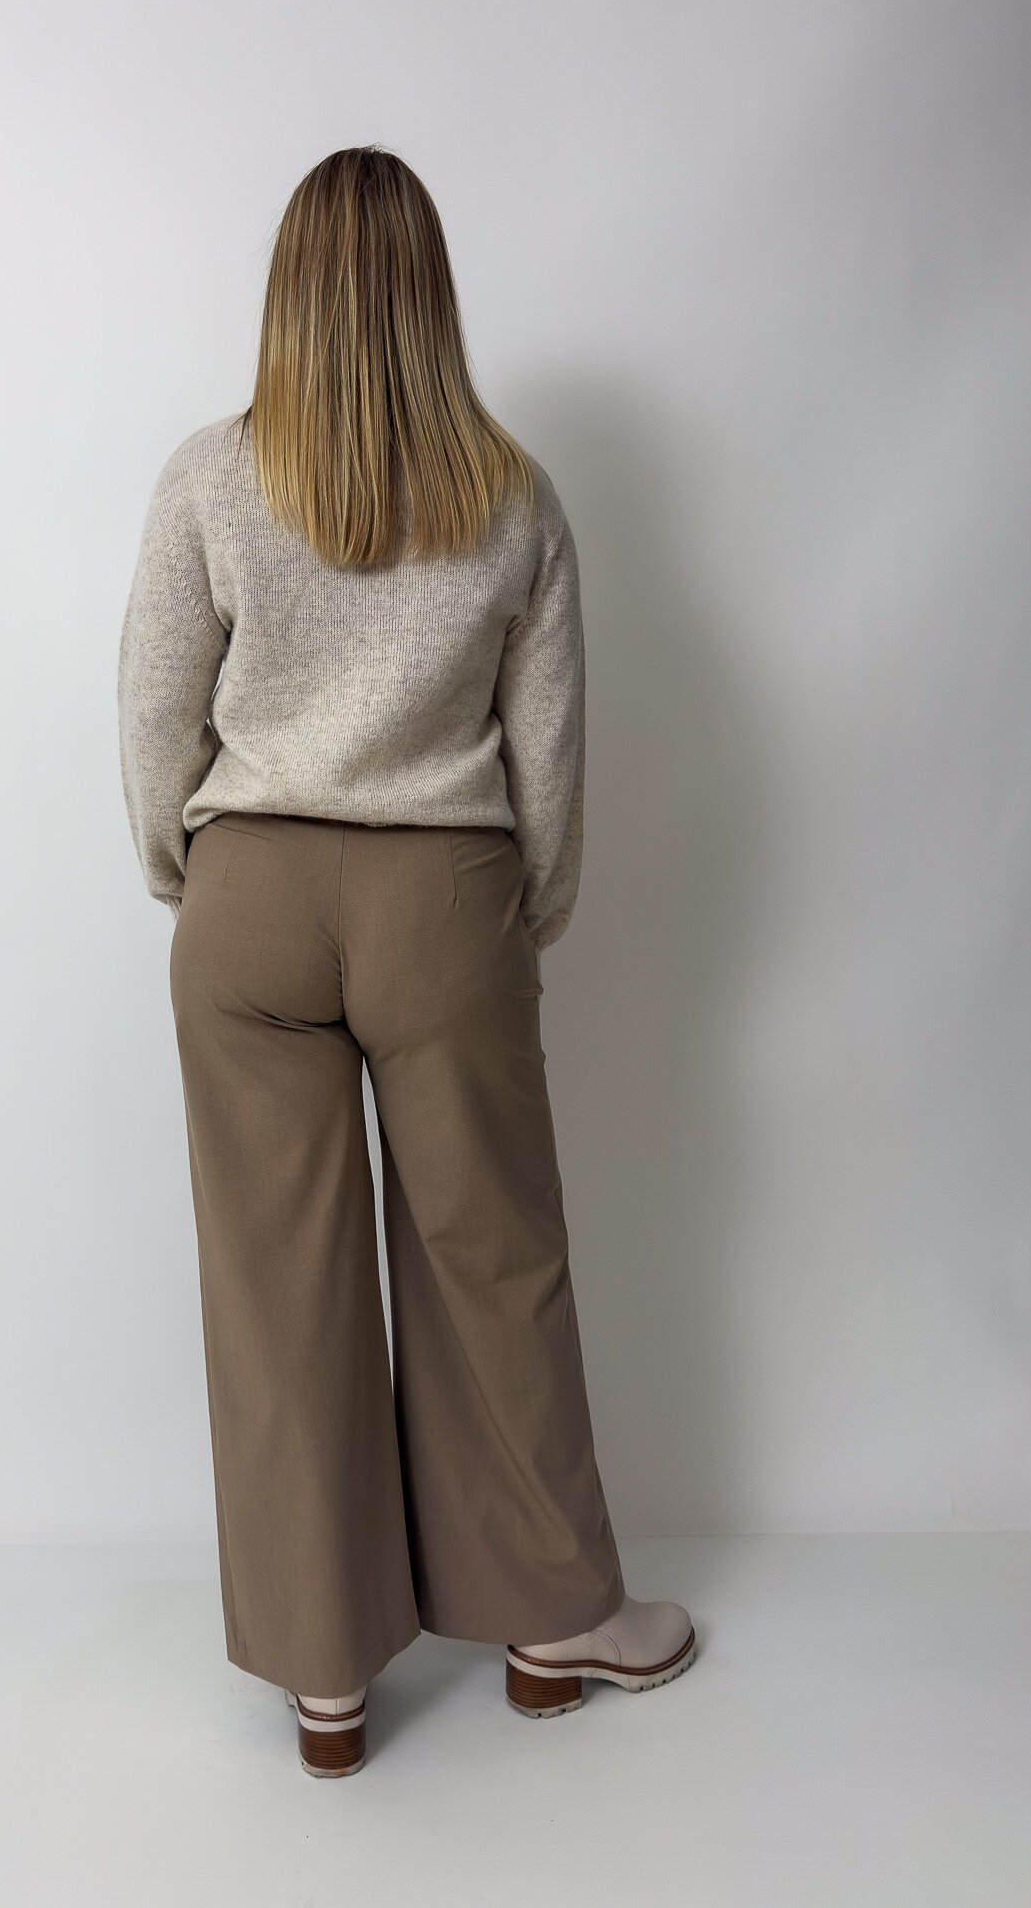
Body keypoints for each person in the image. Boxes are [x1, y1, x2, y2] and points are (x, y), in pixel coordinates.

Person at [117, 146, 696, 1778]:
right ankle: (555, 1623)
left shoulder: (208, 479)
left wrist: (193, 871)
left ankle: (325, 1682)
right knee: (493, 1259)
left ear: (288, 294)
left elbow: (156, 716)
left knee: (276, 1289)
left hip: (248, 898)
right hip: (446, 896)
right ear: (431, 294)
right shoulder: (513, 493)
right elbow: (548, 756)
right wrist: (525, 915)